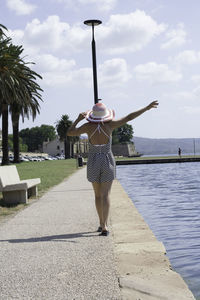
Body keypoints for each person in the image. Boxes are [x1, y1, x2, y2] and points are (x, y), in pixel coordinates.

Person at [67, 100, 159, 236]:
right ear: (105, 115)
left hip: (93, 160)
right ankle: (105, 226)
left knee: (98, 195)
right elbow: (129, 117)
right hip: (107, 159)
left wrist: (78, 119)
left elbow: (70, 132)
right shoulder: (110, 125)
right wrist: (146, 108)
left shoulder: (87, 127)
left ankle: (101, 223)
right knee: (106, 194)